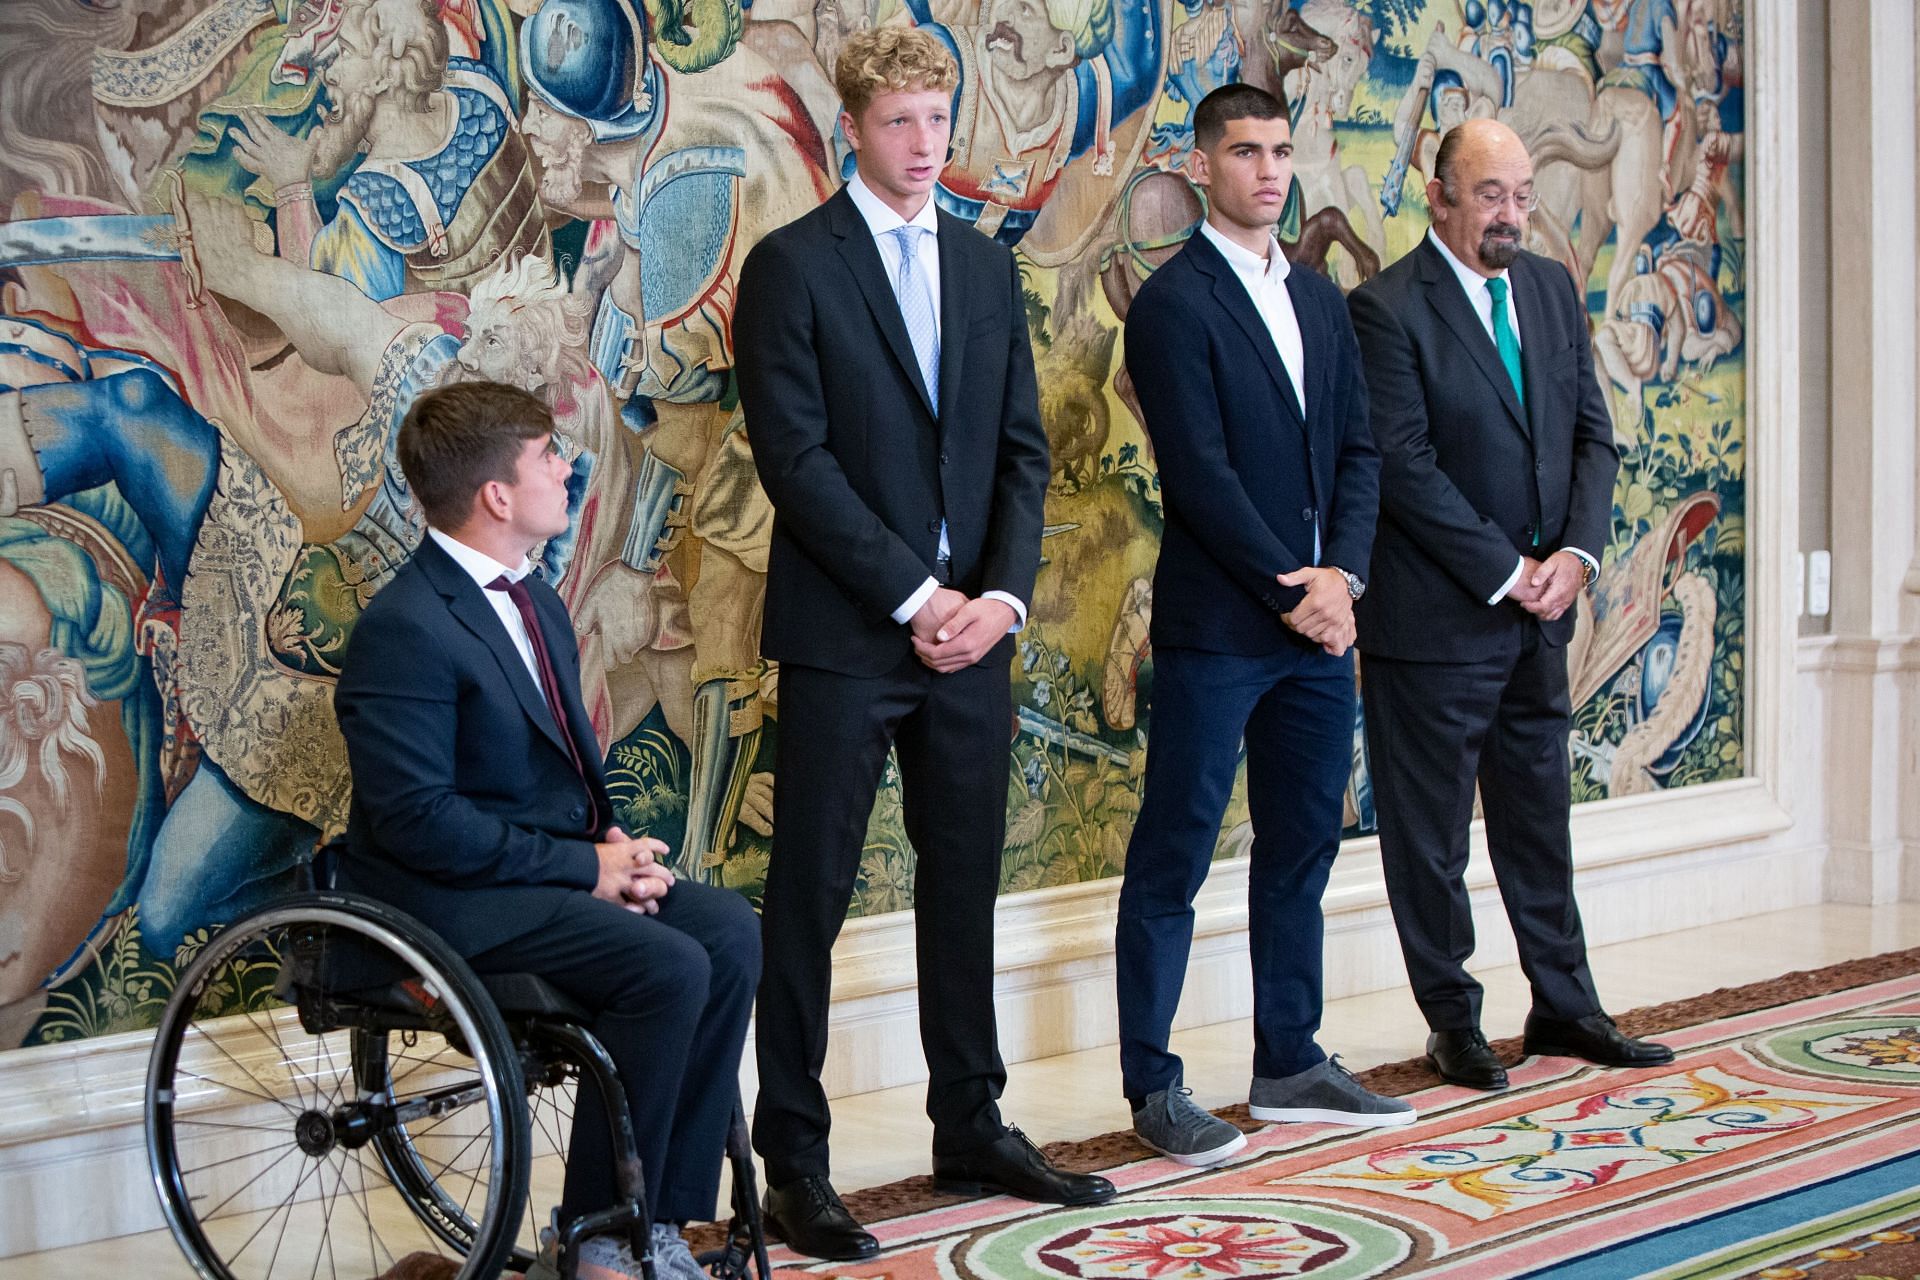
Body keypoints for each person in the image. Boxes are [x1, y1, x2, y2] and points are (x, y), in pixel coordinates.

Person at [734, 24, 1110, 1263]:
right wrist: (915, 596)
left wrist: (996, 599)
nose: (923, 144)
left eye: (938, 121)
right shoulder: (792, 265)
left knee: (963, 885)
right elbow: (799, 462)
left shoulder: (984, 266)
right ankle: (793, 1155)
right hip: (850, 637)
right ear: (855, 126)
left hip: (975, 642)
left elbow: (1020, 451)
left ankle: (972, 1119)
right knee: (811, 900)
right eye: (900, 122)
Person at [333, 382, 760, 1280]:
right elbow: (417, 821)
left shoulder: (540, 600)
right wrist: (586, 870)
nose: (567, 468)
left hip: (541, 875)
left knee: (727, 931)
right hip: (448, 899)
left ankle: (665, 1222)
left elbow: (566, 761)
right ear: (497, 494)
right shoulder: (405, 629)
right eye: (546, 456)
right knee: (668, 965)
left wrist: (618, 852)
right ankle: (601, 1238)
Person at [1346, 119, 1673, 1093]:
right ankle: (1454, 1023)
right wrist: (1505, 567)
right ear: (1440, 195)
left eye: (1524, 193)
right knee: (1431, 839)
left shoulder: (1549, 289)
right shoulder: (1385, 310)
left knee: (1539, 818)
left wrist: (1573, 554)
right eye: (1491, 193)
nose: (1512, 214)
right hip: (1436, 621)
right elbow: (1403, 465)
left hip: (1543, 613)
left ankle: (1566, 1006)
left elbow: (1591, 439)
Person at [1113, 84, 1405, 1169]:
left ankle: (1290, 1059)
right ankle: (1153, 1082)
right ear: (1204, 168)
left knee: (1302, 843)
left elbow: (1360, 455)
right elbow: (1199, 476)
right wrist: (1296, 588)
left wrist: (1348, 583)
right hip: (1221, 631)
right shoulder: (1173, 304)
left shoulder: (1322, 300)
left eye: (1282, 150)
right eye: (1245, 151)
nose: (1269, 170)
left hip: (1321, 633)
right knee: (1174, 854)